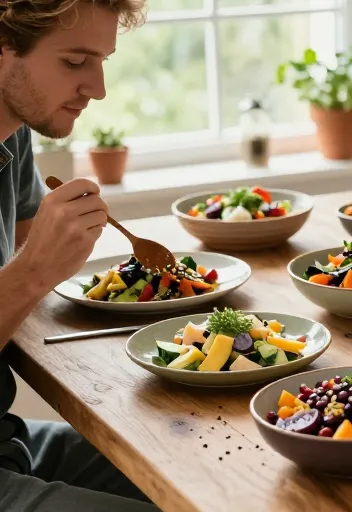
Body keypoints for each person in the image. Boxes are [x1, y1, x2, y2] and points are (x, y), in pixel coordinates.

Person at [0, 0, 157, 510]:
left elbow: (26, 258)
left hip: (9, 439)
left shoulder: (12, 134)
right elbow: (28, 270)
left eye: (101, 61)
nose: (98, 88)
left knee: (213, 480)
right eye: (74, 62)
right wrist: (34, 270)